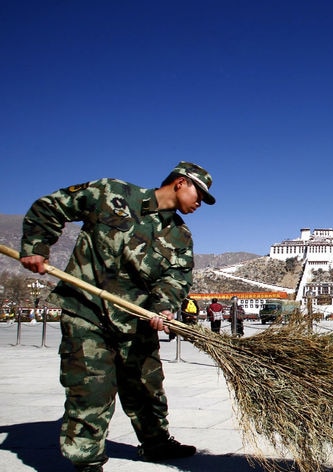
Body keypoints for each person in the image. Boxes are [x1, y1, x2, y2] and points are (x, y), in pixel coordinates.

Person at [17, 161, 216, 472]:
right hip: (87, 311)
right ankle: (87, 459)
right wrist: (37, 246)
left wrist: (163, 306)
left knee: (147, 386)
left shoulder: (180, 235)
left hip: (137, 320)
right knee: (91, 387)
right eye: (199, 194)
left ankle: (156, 442)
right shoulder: (112, 193)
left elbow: (176, 277)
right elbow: (50, 207)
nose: (199, 203)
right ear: (180, 183)